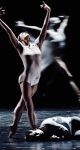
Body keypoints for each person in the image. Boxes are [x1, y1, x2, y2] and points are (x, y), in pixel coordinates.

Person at [0, 1, 51, 138]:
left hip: (36, 78)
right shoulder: (20, 47)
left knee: (22, 102)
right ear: (20, 39)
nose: (24, 33)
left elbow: (45, 26)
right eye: (21, 33)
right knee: (29, 103)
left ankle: (14, 125)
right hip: (26, 78)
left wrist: (48, 11)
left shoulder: (37, 44)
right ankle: (34, 128)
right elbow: (9, 31)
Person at [15, 15, 80, 104]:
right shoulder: (49, 32)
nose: (59, 21)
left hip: (59, 59)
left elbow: (64, 24)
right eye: (56, 20)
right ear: (52, 23)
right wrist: (23, 26)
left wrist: (66, 18)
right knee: (62, 77)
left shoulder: (60, 32)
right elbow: (37, 29)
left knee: (52, 80)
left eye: (58, 21)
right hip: (53, 60)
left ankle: (43, 93)